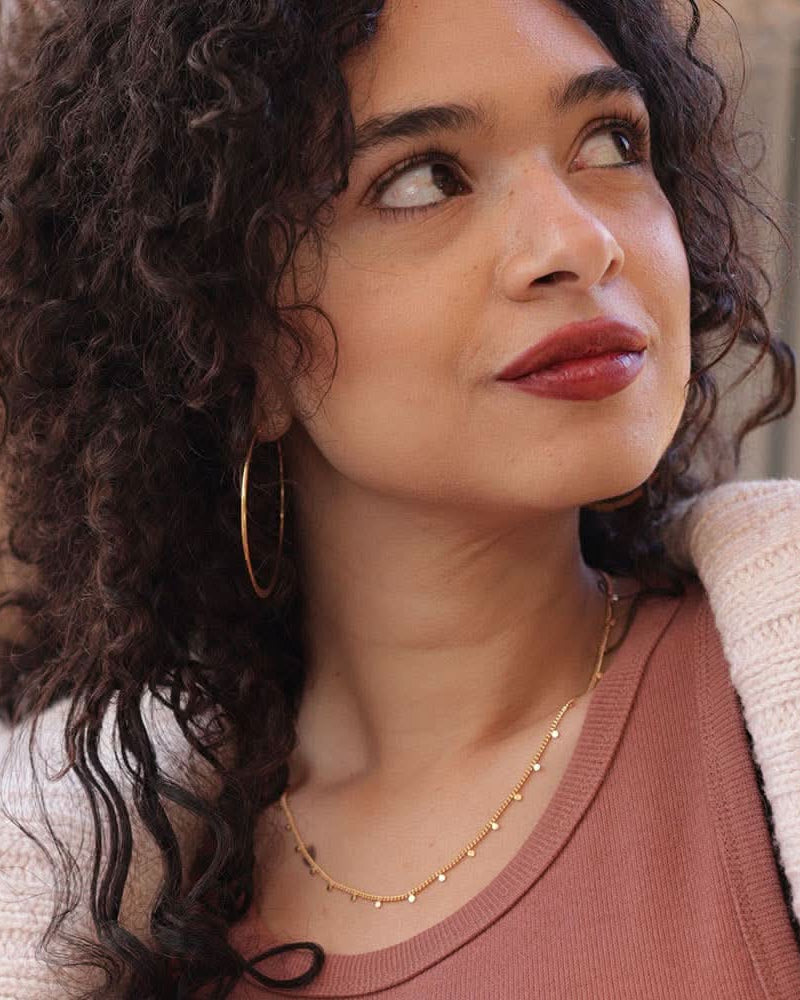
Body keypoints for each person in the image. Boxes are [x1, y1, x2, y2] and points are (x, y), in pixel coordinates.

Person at [0, 0, 797, 997]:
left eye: (609, 141)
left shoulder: (752, 709)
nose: (577, 239)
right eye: (422, 177)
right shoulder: (106, 898)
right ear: (234, 348)